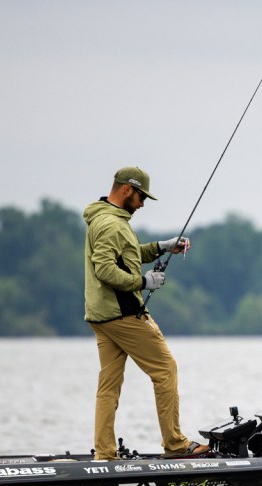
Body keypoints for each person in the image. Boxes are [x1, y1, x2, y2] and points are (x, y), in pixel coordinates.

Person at [82, 166, 209, 461]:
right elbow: (105, 269)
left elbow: (126, 255)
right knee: (165, 369)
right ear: (127, 190)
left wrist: (161, 247)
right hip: (123, 314)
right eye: (141, 198)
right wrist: (143, 282)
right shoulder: (111, 224)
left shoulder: (106, 218)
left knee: (109, 386)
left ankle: (105, 454)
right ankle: (175, 445)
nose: (142, 204)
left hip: (101, 315)